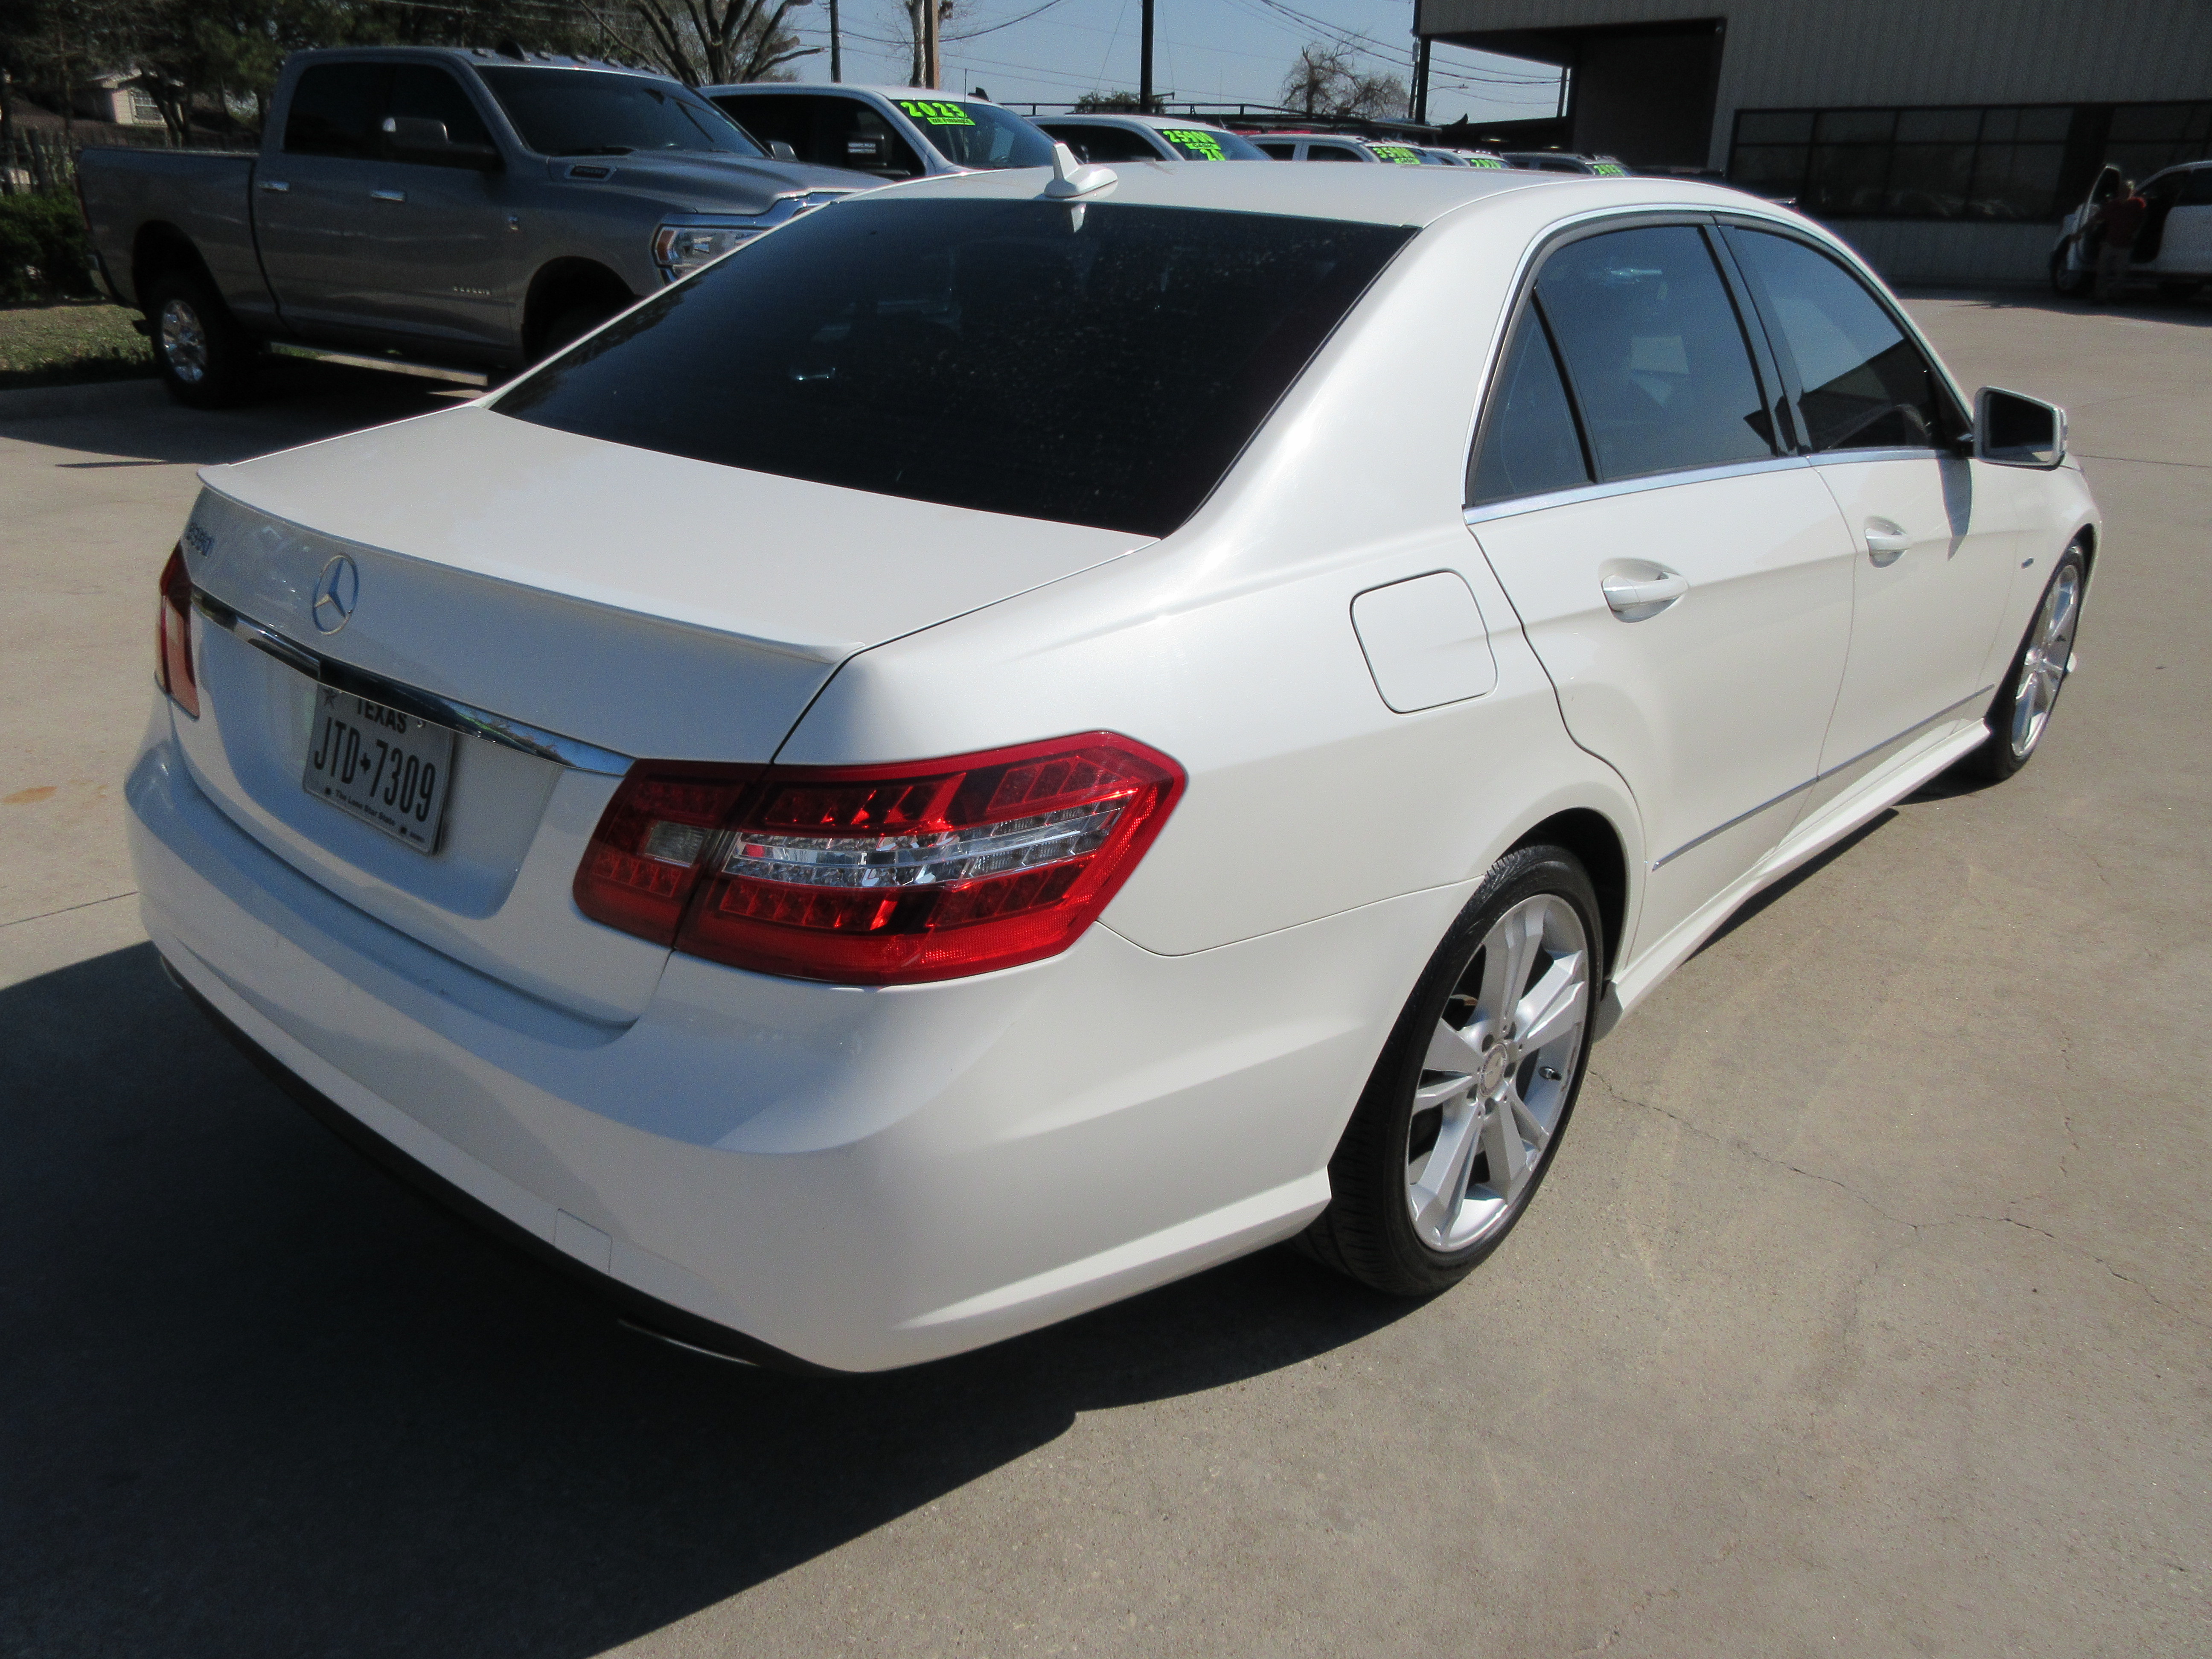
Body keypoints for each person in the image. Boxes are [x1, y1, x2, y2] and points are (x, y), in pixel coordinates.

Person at [2093, 180, 2148, 301]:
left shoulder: (2138, 204)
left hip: (2126, 244)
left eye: (2128, 190)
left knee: (2121, 274)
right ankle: (2100, 297)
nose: (2125, 193)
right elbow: (2097, 219)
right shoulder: (2113, 205)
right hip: (2110, 242)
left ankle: (2117, 296)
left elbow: (2144, 220)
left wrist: (2136, 235)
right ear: (2119, 191)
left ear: (2133, 192)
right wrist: (2079, 232)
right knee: (2102, 272)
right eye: (2123, 190)